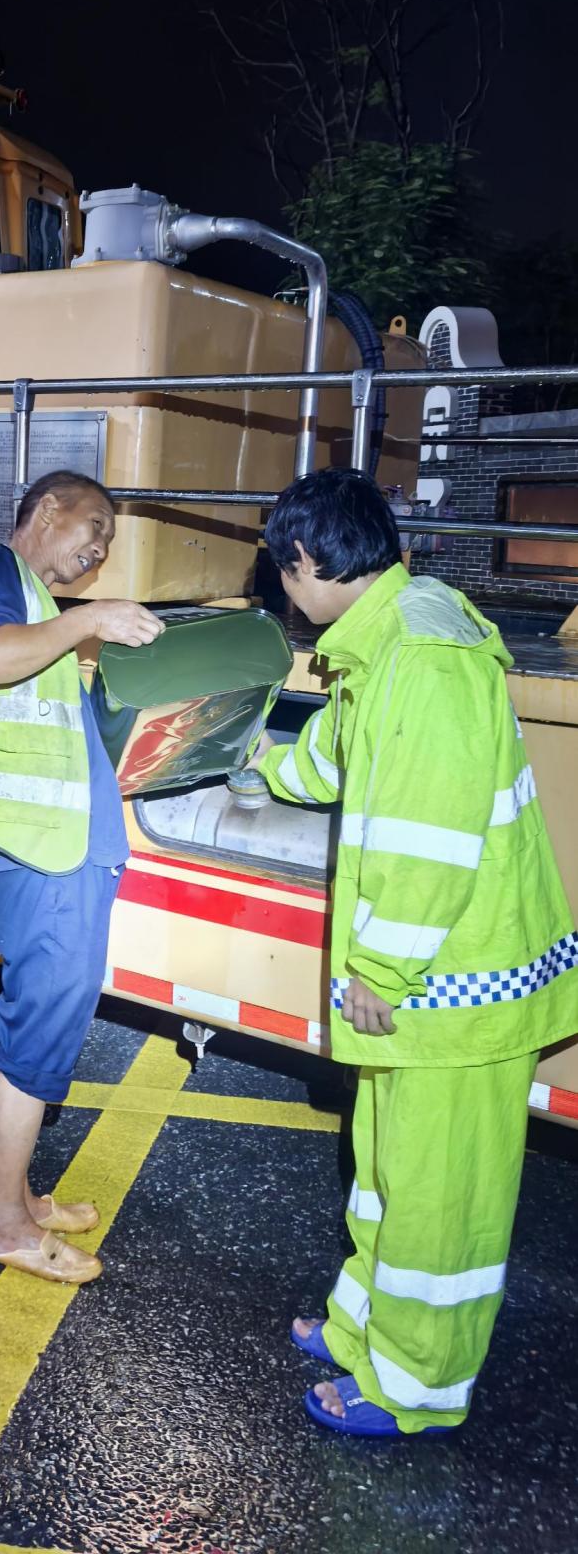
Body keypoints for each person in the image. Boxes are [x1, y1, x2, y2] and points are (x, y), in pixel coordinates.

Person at [254, 467, 578, 1437]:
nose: (282, 592)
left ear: (308, 560)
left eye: (282, 572)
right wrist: (258, 765)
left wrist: (380, 969)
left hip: (456, 985)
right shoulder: (386, 636)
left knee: (440, 1201)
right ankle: (365, 1330)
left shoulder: (424, 660)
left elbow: (429, 840)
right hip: (436, 984)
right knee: (386, 1172)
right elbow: (341, 757)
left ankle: (416, 1388)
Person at [0, 470, 164, 1284]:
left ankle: (19, 1198)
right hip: (46, 852)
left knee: (40, 1030)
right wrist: (91, 620)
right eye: (96, 527)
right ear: (51, 509)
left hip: (62, 850)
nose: (101, 550)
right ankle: (2, 1224)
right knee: (36, 1040)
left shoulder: (36, 607)